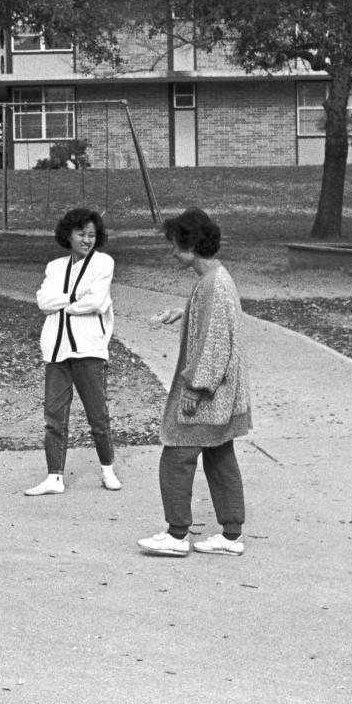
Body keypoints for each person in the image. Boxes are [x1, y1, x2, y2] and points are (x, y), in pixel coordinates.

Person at [138, 207, 251, 557]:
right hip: (226, 393)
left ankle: (176, 535)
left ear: (190, 244)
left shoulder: (213, 285)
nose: (172, 251)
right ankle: (231, 536)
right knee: (219, 456)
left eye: (174, 243)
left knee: (176, 455)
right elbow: (214, 322)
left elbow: (215, 344)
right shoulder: (215, 278)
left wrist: (194, 388)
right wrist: (183, 313)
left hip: (209, 392)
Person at [25, 206, 120, 496]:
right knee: (54, 416)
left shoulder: (103, 263)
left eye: (92, 234)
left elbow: (96, 303)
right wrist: (77, 296)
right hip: (56, 350)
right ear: (68, 235)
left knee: (97, 416)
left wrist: (64, 301)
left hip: (89, 349)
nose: (86, 240)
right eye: (81, 233)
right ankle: (54, 476)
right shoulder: (55, 267)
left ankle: (107, 469)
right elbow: (43, 301)